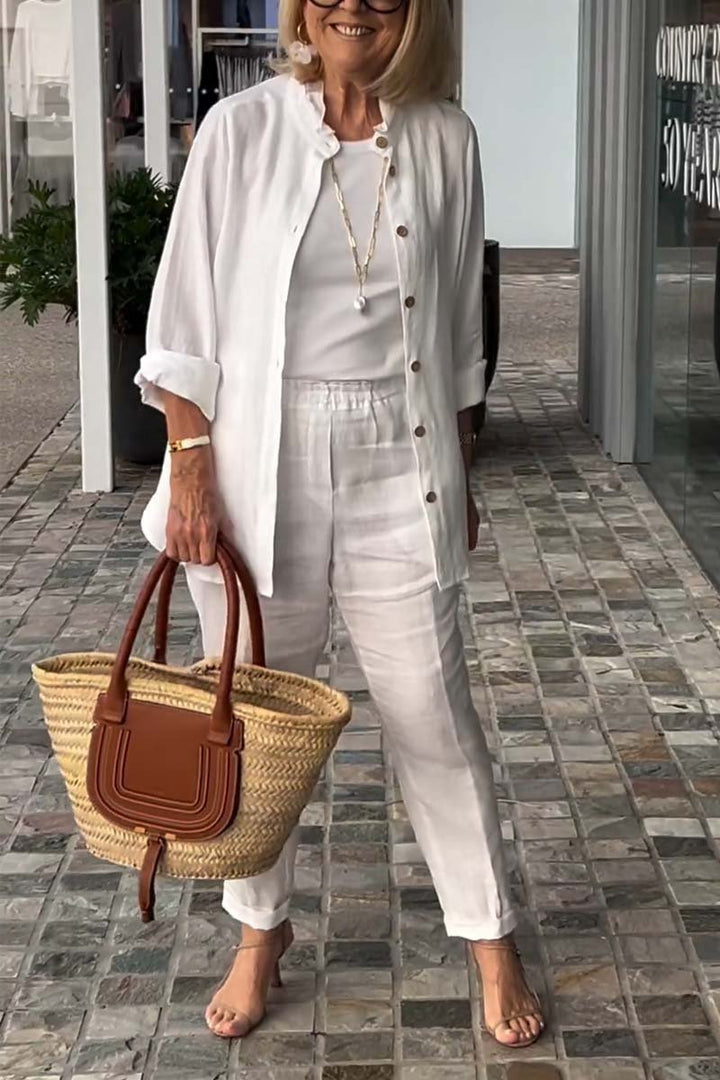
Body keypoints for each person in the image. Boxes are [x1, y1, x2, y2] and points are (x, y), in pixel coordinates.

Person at [135, 0, 546, 1050]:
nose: (351, 5)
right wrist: (190, 466)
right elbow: (182, 316)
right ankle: (258, 931)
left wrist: (459, 468)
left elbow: (457, 329)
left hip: (400, 455)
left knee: (433, 712)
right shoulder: (241, 130)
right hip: (255, 459)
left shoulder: (446, 137)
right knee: (250, 718)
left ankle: (489, 936)